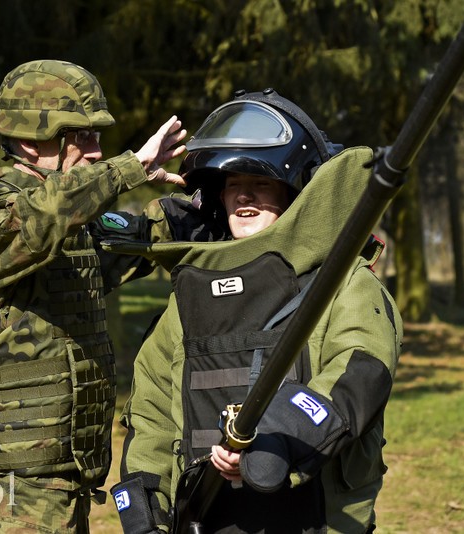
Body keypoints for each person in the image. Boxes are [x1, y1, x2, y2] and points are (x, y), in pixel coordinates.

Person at [110, 89, 403, 533]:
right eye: (231, 185)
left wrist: (278, 441)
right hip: (206, 520)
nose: (244, 195)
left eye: (261, 182)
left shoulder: (342, 282)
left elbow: (361, 370)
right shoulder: (187, 298)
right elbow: (152, 410)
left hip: (315, 517)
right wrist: (145, 508)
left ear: (293, 194)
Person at [0, 59, 187, 532]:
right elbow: (38, 220)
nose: (95, 151)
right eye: (83, 136)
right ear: (32, 140)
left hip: (66, 471)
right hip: (25, 480)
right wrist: (128, 169)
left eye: (98, 139)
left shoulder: (68, 219)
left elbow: (127, 244)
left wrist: (201, 206)